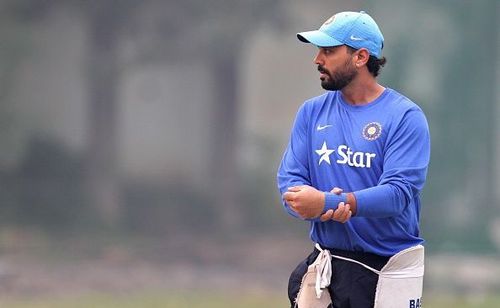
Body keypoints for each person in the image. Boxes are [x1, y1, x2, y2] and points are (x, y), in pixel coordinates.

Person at [277, 11, 430, 308]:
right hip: (328, 265)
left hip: (387, 269)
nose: (317, 59)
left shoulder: (405, 117)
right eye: (318, 50)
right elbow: (289, 181)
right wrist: (307, 202)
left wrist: (331, 203)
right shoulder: (311, 112)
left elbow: (398, 194)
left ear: (360, 57)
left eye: (329, 51)